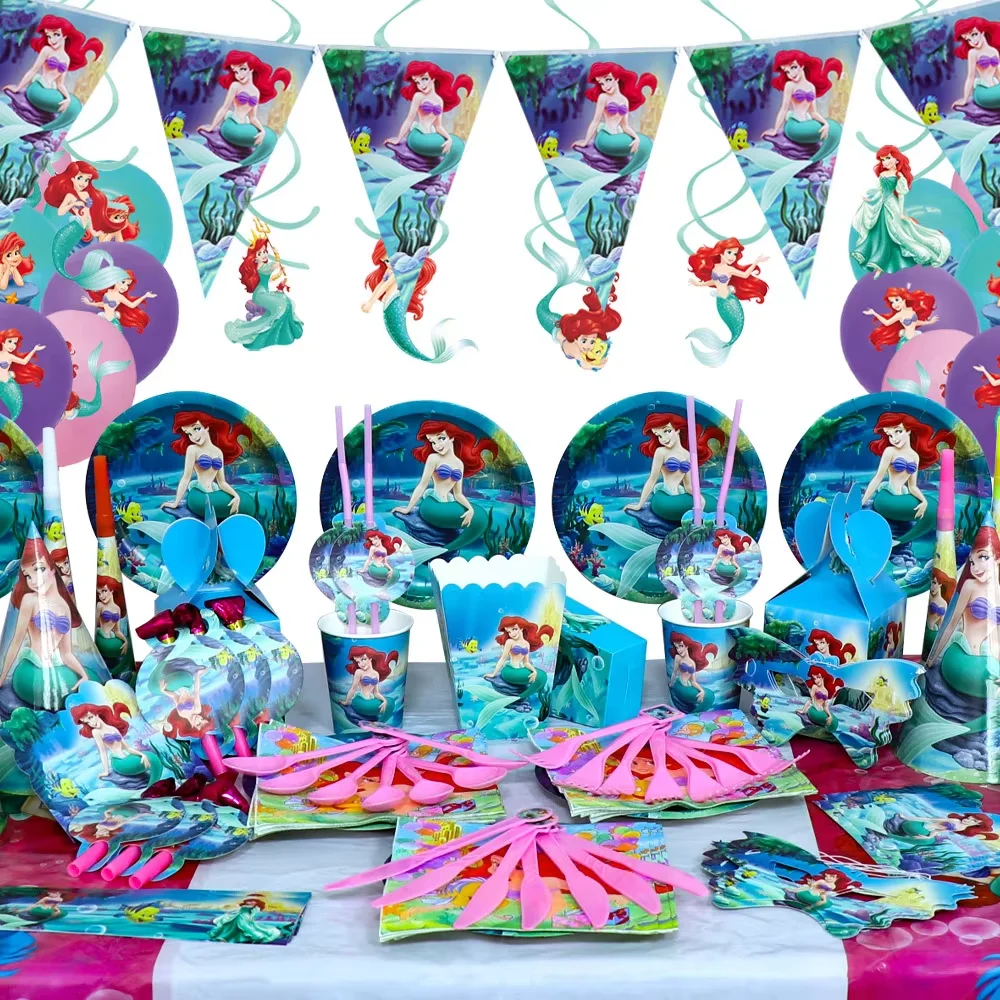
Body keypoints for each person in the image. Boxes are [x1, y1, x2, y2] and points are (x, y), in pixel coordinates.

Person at [0, 535, 86, 711]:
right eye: (27, 575)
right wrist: (2, 677)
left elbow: (66, 653)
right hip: (34, 664)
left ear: (53, 568)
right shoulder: (29, 600)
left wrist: (84, 676)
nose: (33, 581)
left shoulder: (64, 606)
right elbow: (16, 641)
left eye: (39, 569)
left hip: (56, 664)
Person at [852, 145, 950, 276]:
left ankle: (902, 259)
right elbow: (880, 191)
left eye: (888, 158)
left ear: (896, 159)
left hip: (893, 204)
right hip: (882, 204)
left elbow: (901, 194)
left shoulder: (898, 176)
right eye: (882, 160)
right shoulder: (883, 174)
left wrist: (901, 212)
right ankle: (878, 263)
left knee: (898, 232)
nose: (885, 162)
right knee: (880, 233)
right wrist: (871, 199)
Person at [484, 616, 553, 689]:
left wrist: (534, 671)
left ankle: (528, 693)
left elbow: (526, 662)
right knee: (540, 676)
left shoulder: (527, 644)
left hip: (521, 668)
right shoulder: (510, 642)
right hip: (510, 669)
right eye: (509, 632)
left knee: (541, 675)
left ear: (521, 628)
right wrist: (493, 674)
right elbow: (503, 659)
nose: (512, 634)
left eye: (514, 629)